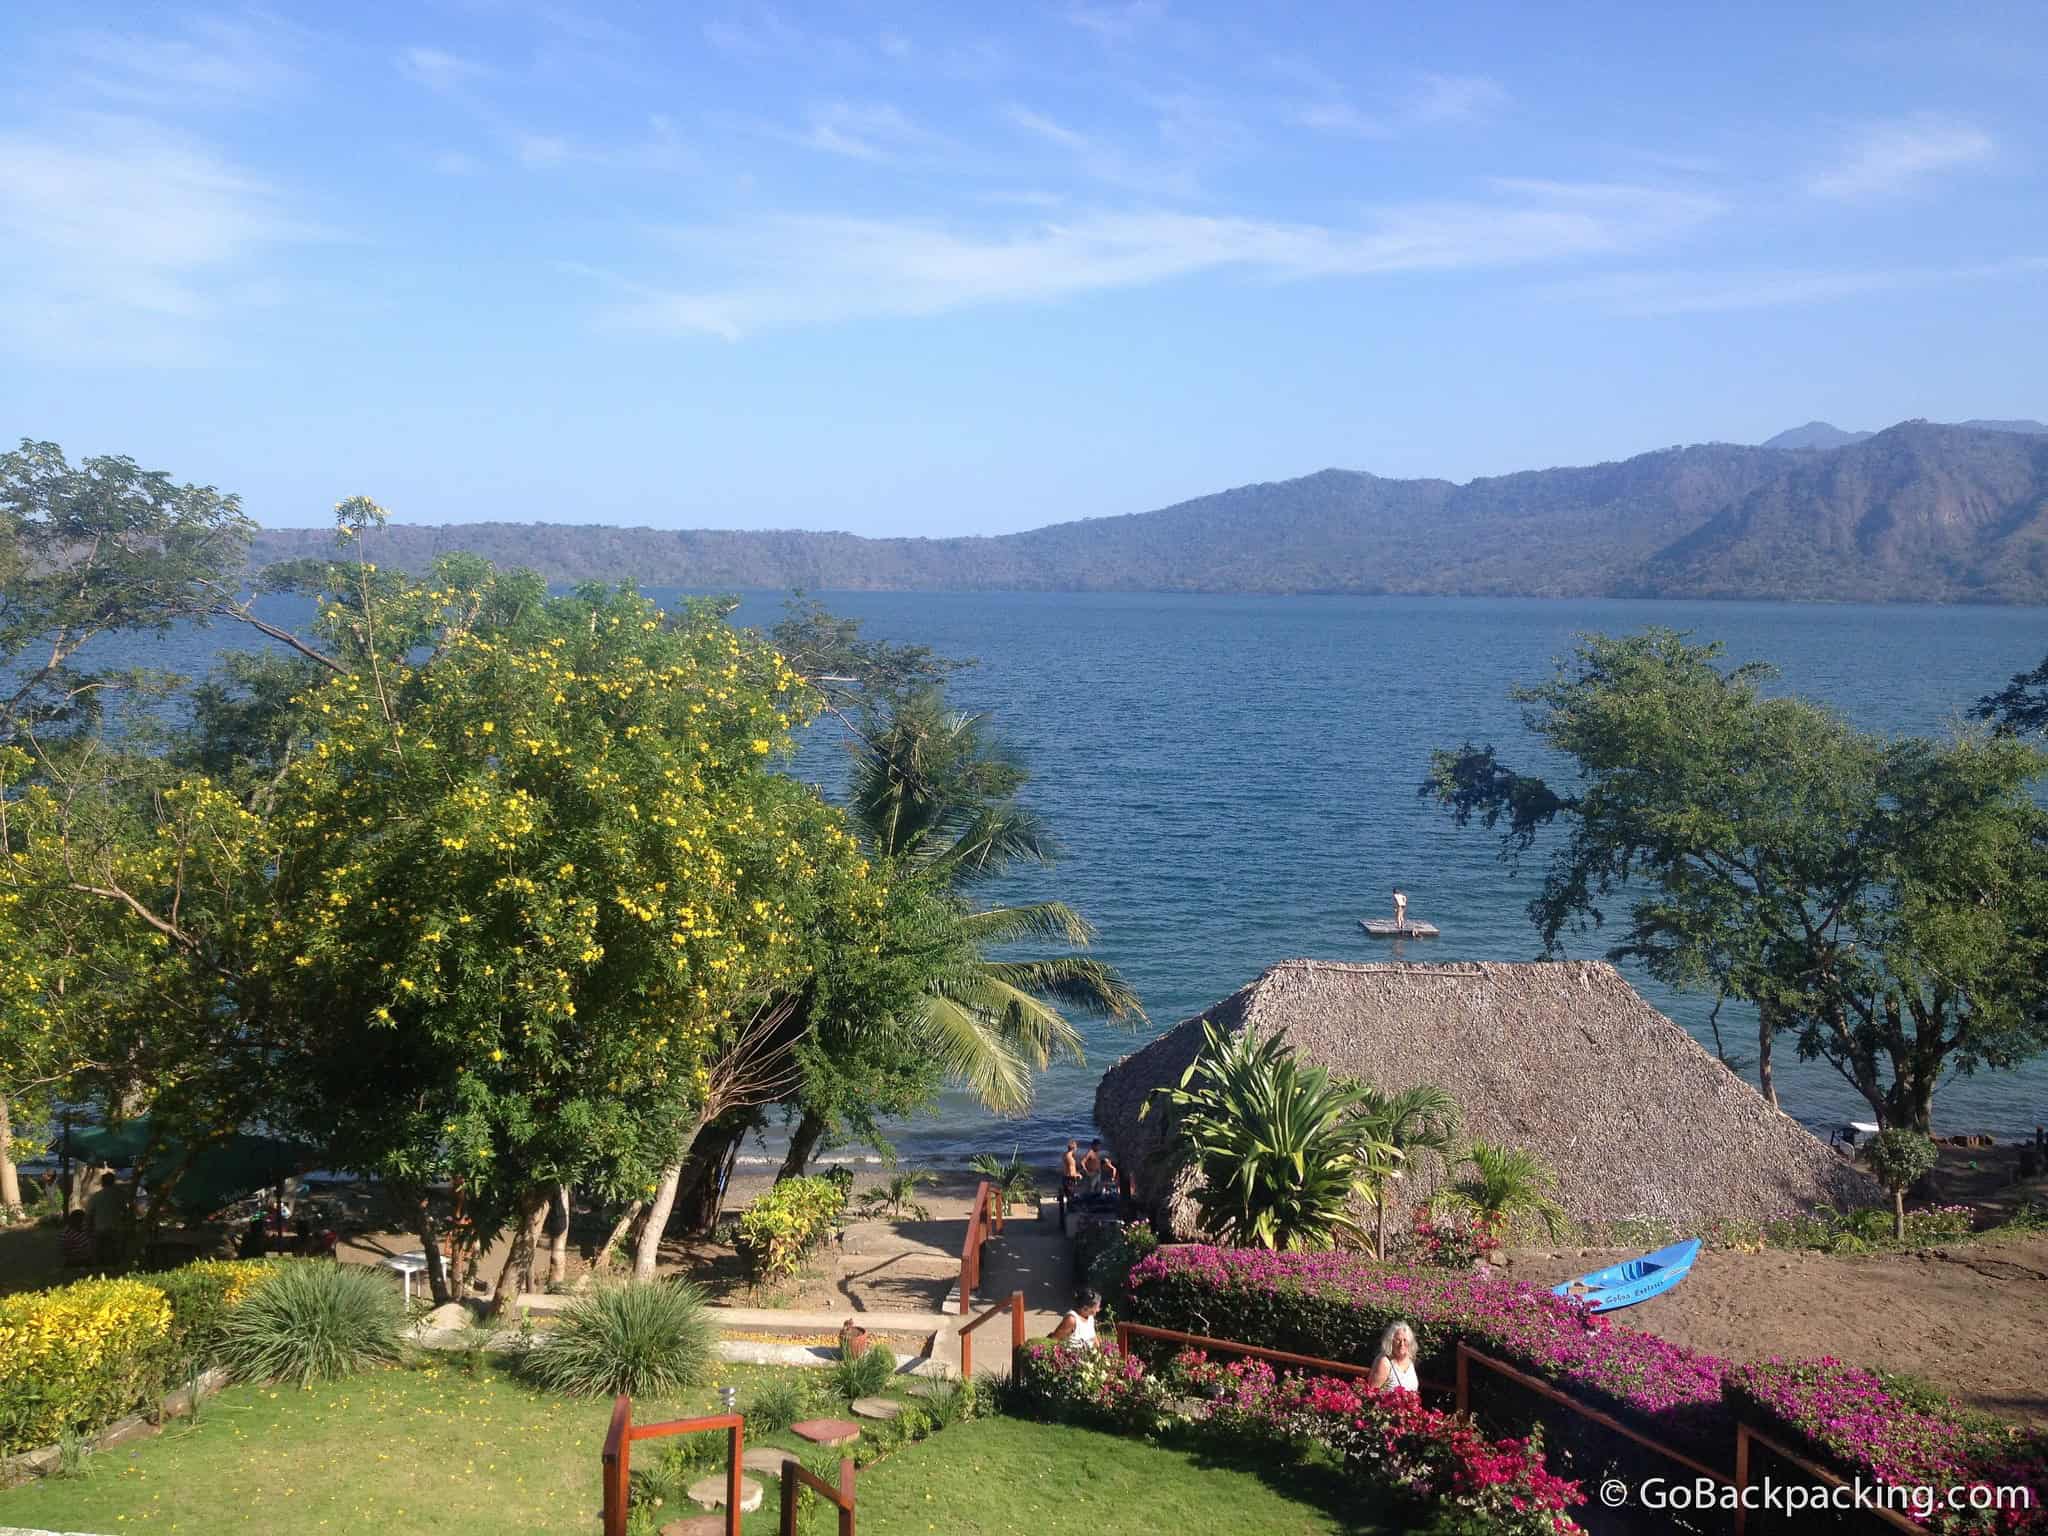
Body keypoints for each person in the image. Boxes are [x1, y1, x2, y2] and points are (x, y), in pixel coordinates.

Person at [1367, 1321, 1420, 1395]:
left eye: (1405, 1340)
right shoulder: (1384, 1362)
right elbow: (1371, 1394)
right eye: (1398, 1340)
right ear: (1391, 1341)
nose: (1402, 1344)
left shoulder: (1409, 1360)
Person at [1060, 1140, 1081, 1204]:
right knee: (1071, 1196)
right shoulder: (1070, 1158)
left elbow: (1066, 1168)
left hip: (1065, 1177)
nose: (1077, 1149)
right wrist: (1078, 1175)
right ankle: (1071, 1210)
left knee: (1068, 1195)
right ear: (1074, 1148)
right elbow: (1071, 1173)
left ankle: (1069, 1208)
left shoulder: (1064, 1154)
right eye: (1076, 1147)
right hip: (1070, 1179)